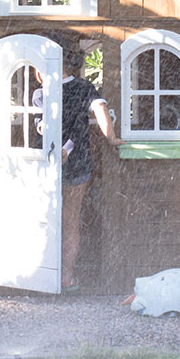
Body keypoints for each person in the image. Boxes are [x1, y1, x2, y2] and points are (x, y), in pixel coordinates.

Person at [36, 40, 123, 291]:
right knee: (70, 219)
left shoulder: (40, 92)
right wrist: (111, 138)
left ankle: (42, 273)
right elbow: (101, 110)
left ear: (42, 68)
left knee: (45, 218)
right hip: (76, 161)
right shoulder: (84, 88)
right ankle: (66, 277)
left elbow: (40, 126)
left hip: (43, 161)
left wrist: (52, 139)